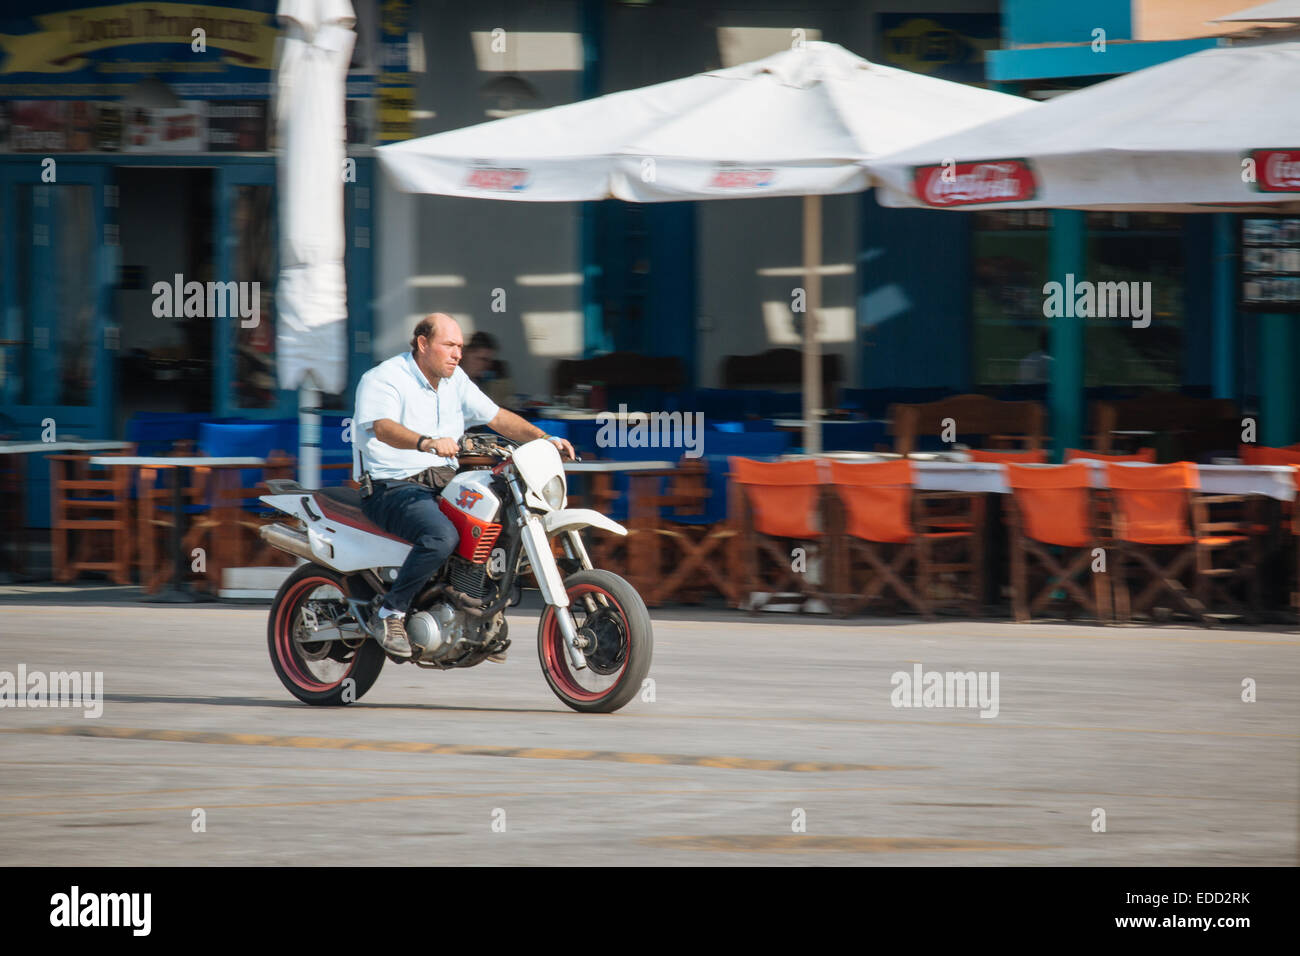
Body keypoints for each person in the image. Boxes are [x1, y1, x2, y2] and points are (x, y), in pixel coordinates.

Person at [353, 313, 576, 660]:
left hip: (442, 482)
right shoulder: (384, 378)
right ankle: (390, 613)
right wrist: (427, 442)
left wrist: (545, 438)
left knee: (499, 517)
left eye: (460, 346)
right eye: (449, 345)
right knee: (441, 536)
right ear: (423, 344)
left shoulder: (455, 381)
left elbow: (498, 417)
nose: (457, 353)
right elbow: (382, 428)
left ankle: (478, 614)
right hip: (392, 485)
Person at [461, 330, 516, 407]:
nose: (487, 365)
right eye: (482, 359)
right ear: (465, 353)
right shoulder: (451, 382)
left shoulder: (479, 382)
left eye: (489, 360)